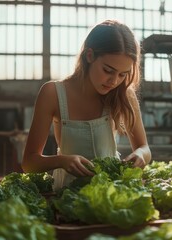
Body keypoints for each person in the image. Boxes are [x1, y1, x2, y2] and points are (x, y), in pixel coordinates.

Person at [22, 19, 151, 190]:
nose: (114, 81)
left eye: (122, 74)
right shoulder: (52, 93)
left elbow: (145, 148)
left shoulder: (124, 94)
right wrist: (62, 161)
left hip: (110, 194)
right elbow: (29, 163)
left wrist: (141, 154)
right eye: (108, 70)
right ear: (89, 55)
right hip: (66, 195)